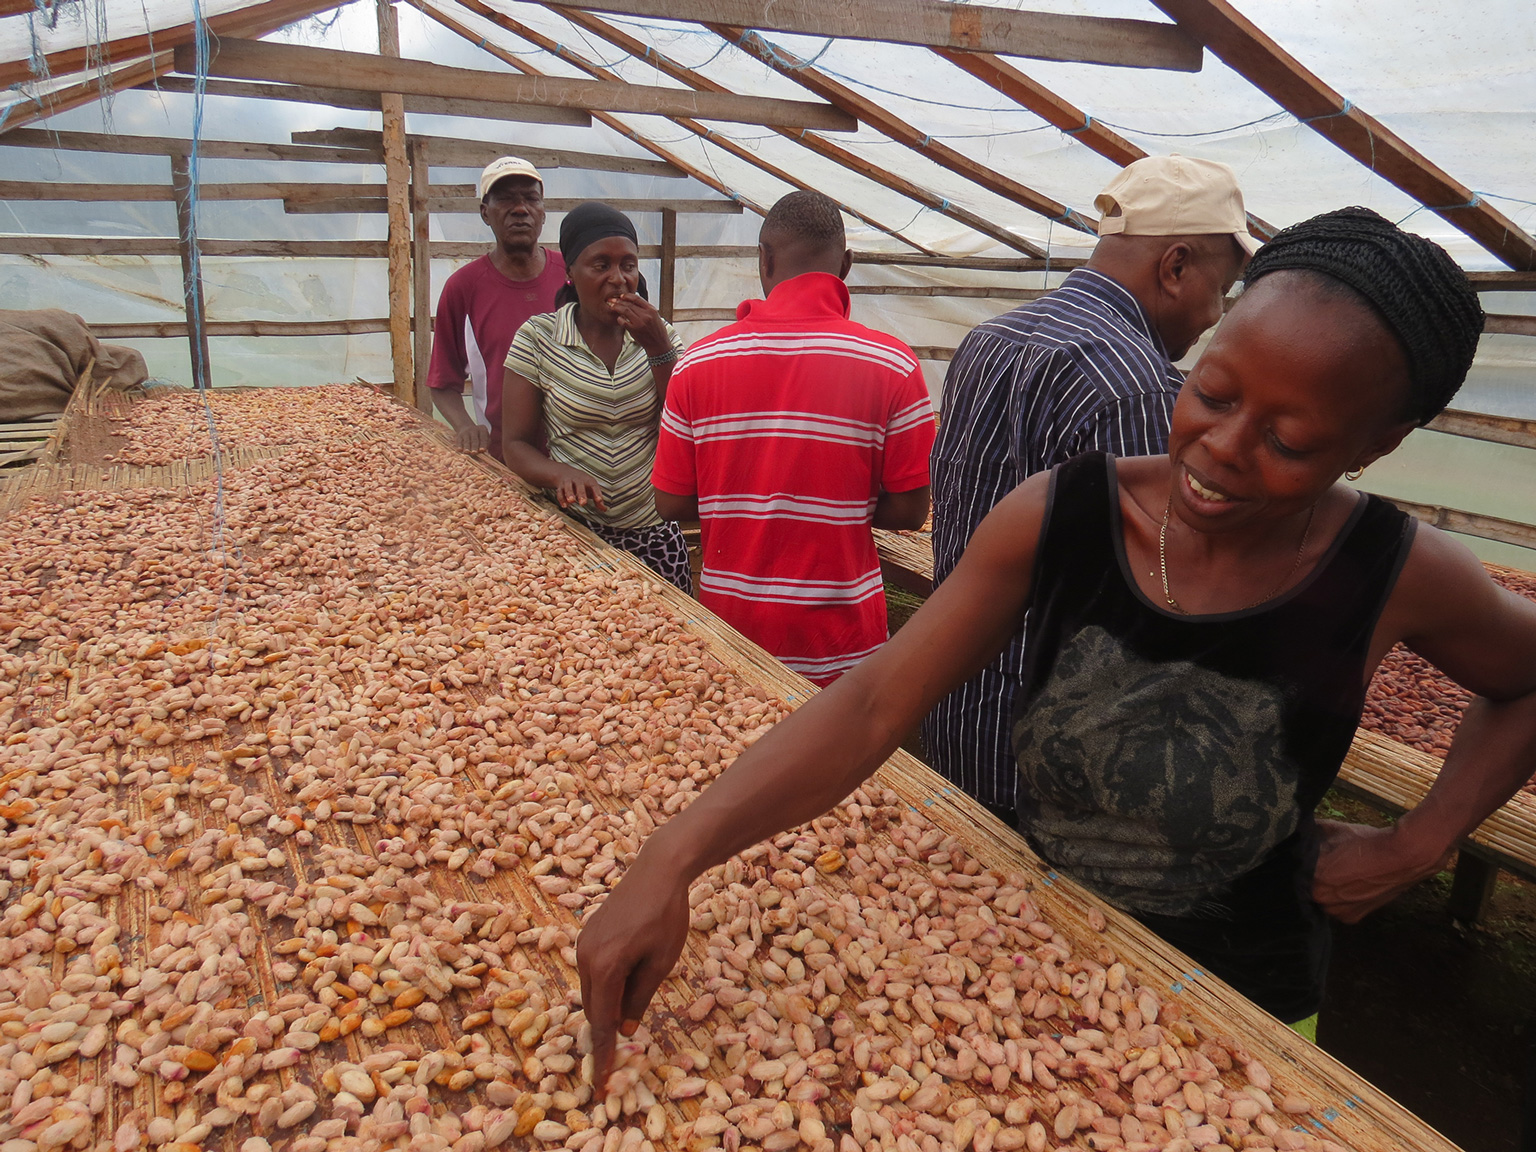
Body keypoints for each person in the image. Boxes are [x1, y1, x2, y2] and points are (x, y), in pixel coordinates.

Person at [578, 208, 1536, 1075]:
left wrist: (1421, 841)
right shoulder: (1065, 513)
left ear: (1377, 443)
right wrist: (671, 857)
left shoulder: (1395, 567)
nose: (1222, 449)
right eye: (1211, 391)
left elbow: (1524, 679)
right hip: (1034, 962)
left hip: (1249, 1011)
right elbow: (873, 704)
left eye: (1289, 442)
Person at [925, 155, 1258, 821]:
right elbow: (1145, 610)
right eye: (1219, 291)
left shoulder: (988, 341)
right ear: (1176, 267)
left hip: (953, 705)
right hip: (1041, 758)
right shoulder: (1136, 386)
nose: (1213, 316)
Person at [650, 191, 935, 685]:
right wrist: (831, 501)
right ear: (846, 264)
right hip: (843, 649)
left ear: (764, 258)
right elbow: (911, 512)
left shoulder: (697, 363)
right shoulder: (894, 364)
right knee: (841, 761)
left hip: (732, 637)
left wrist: (748, 499)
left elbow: (670, 502)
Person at [501, 202, 691, 593]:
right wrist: (560, 473)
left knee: (668, 647)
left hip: (652, 533)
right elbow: (515, 445)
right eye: (600, 265)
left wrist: (657, 349)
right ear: (570, 272)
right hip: (574, 533)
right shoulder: (538, 338)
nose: (619, 279)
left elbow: (686, 425)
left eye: (628, 265)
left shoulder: (662, 336)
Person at [426, 156, 567, 461]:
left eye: (531, 199)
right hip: (506, 461)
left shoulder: (573, 276)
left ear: (543, 212)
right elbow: (442, 382)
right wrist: (465, 425)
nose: (520, 209)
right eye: (505, 199)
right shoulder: (463, 288)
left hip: (579, 458)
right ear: (485, 213)